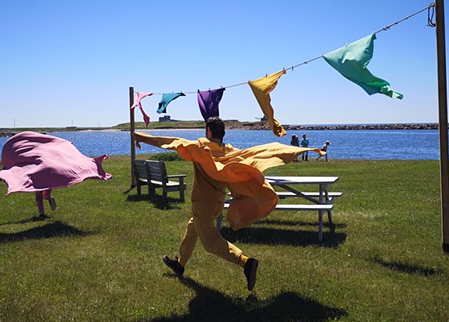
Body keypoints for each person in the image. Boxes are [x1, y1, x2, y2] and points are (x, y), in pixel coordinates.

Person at [134, 118, 321, 291]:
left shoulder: (201, 146)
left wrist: (140, 136)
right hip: (217, 202)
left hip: (202, 202)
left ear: (208, 131)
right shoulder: (229, 150)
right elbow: (254, 155)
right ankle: (180, 264)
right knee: (193, 228)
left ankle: (246, 262)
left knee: (211, 242)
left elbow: (173, 142)